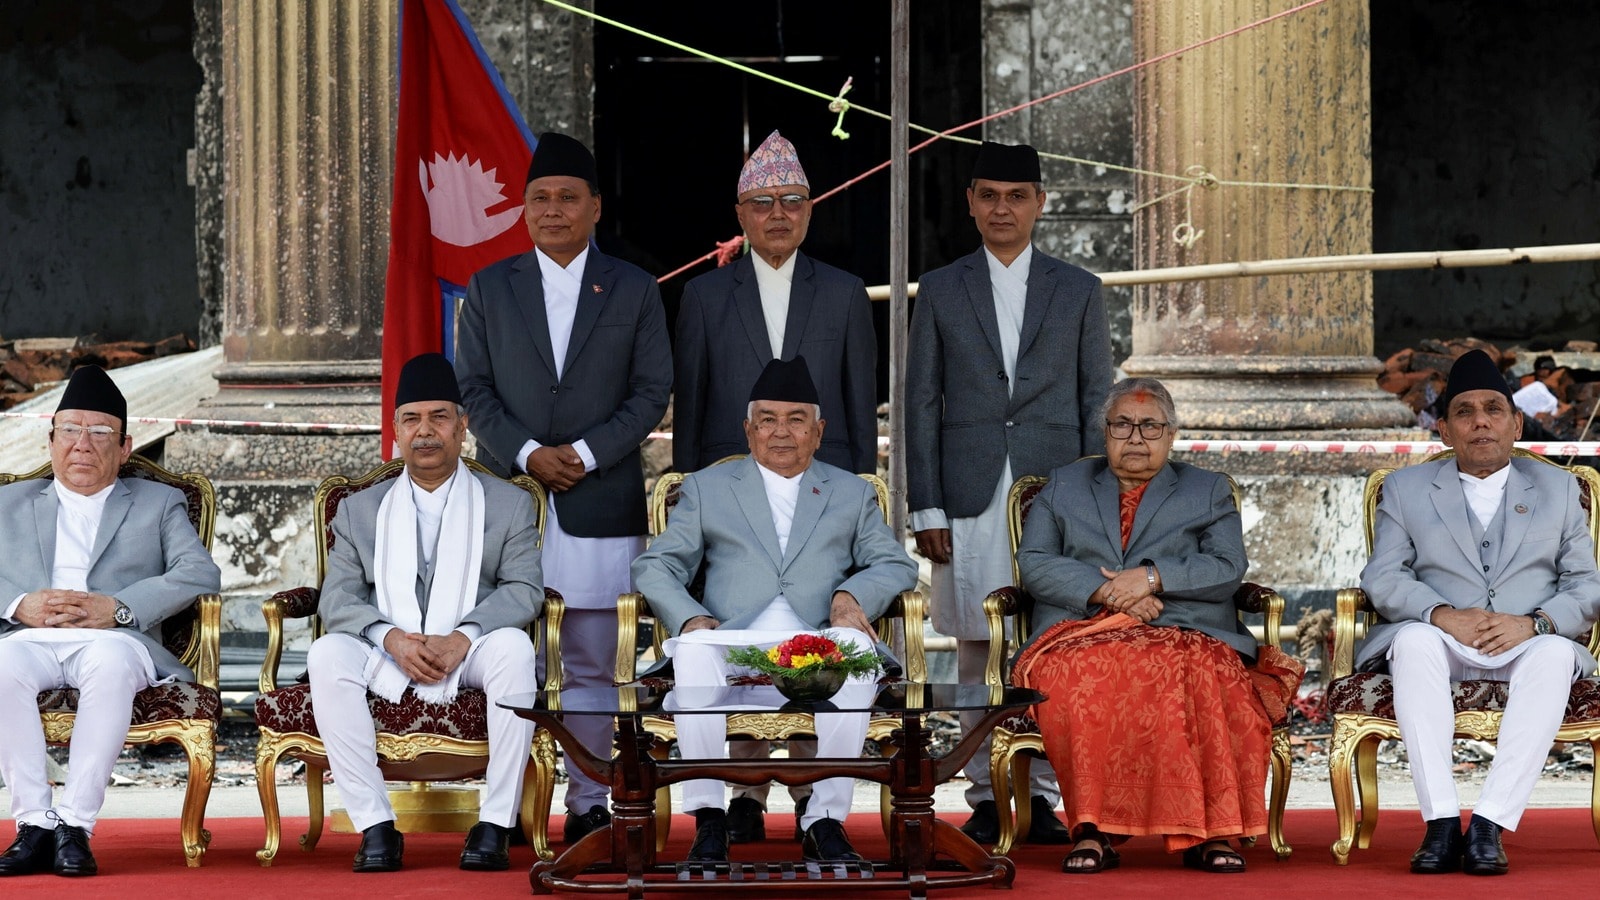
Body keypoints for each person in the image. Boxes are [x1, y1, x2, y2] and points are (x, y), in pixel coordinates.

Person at [456, 132, 672, 842]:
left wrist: (581, 453)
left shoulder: (634, 288)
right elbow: (473, 389)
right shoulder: (490, 288)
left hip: (599, 498)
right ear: (523, 208)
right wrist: (525, 454)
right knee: (508, 656)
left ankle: (586, 803)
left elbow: (651, 391)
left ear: (595, 207)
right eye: (540, 198)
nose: (553, 210)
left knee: (590, 659)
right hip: (508, 502)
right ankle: (509, 806)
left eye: (568, 198)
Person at [673, 129, 879, 842]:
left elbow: (856, 411)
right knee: (734, 637)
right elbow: (692, 415)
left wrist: (857, 502)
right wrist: (691, 503)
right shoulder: (704, 296)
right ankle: (741, 795)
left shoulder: (845, 293)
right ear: (740, 214)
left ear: (811, 209)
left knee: (816, 643)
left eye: (792, 200)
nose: (778, 214)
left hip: (819, 501)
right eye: (763, 203)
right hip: (728, 507)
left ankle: (816, 807)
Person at [904, 140, 1113, 843]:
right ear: (970, 202)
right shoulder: (941, 287)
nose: (1002, 208)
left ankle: (1044, 794)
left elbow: (1096, 399)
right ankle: (984, 793)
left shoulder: (1079, 288)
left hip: (1057, 491)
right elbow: (920, 402)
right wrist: (926, 505)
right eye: (989, 195)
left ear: (1039, 204)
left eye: (1017, 196)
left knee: (1054, 638)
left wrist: (1095, 506)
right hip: (966, 489)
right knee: (975, 641)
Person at [632, 356, 917, 864]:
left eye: (796, 420)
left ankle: (824, 821)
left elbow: (895, 564)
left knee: (855, 650)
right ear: (749, 430)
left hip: (815, 647)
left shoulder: (850, 492)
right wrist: (691, 618)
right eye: (767, 419)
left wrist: (850, 597)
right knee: (692, 651)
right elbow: (656, 566)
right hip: (732, 642)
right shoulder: (707, 488)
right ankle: (709, 820)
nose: (780, 431)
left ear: (818, 431)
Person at [1013, 377, 1302, 874]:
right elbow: (1034, 562)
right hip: (1081, 630)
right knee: (1084, 678)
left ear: (1171, 435)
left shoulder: (1206, 489)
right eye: (1122, 425)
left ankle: (1210, 832)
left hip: (1185, 628)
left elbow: (1227, 566)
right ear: (1104, 432)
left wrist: (1150, 578)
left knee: (1203, 676)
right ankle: (1092, 829)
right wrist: (1107, 591)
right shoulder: (1064, 485)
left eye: (1150, 426)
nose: (1136, 437)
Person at [1359, 348, 1600, 876]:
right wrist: (1442, 614)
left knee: (1555, 655)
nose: (1481, 421)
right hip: (1442, 639)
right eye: (1465, 412)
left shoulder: (1560, 489)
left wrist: (1533, 624)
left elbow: (1586, 584)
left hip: (1526, 640)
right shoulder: (1405, 489)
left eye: (1494, 409)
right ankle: (1441, 823)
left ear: (1517, 424)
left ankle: (1490, 823)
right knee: (1413, 642)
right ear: (1444, 430)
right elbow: (1383, 577)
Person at [307, 353, 543, 873]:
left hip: (471, 647)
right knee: (326, 654)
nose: (426, 431)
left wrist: (464, 635)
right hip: (387, 648)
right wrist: (390, 638)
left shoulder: (507, 503)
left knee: (515, 648)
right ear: (396, 431)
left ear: (463, 426)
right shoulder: (359, 509)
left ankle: (495, 823)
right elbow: (337, 598)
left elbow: (524, 589)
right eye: (412, 419)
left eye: (439, 417)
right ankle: (375, 825)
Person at [0, 366, 221, 878]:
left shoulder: (157, 502)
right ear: (50, 440)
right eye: (70, 430)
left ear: (124, 448)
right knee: (2, 662)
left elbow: (199, 572)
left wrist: (118, 608)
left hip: (116, 639)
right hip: (29, 636)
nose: (83, 444)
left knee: (108, 659)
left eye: (99, 432)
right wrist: (18, 605)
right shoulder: (7, 501)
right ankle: (34, 825)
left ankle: (75, 826)